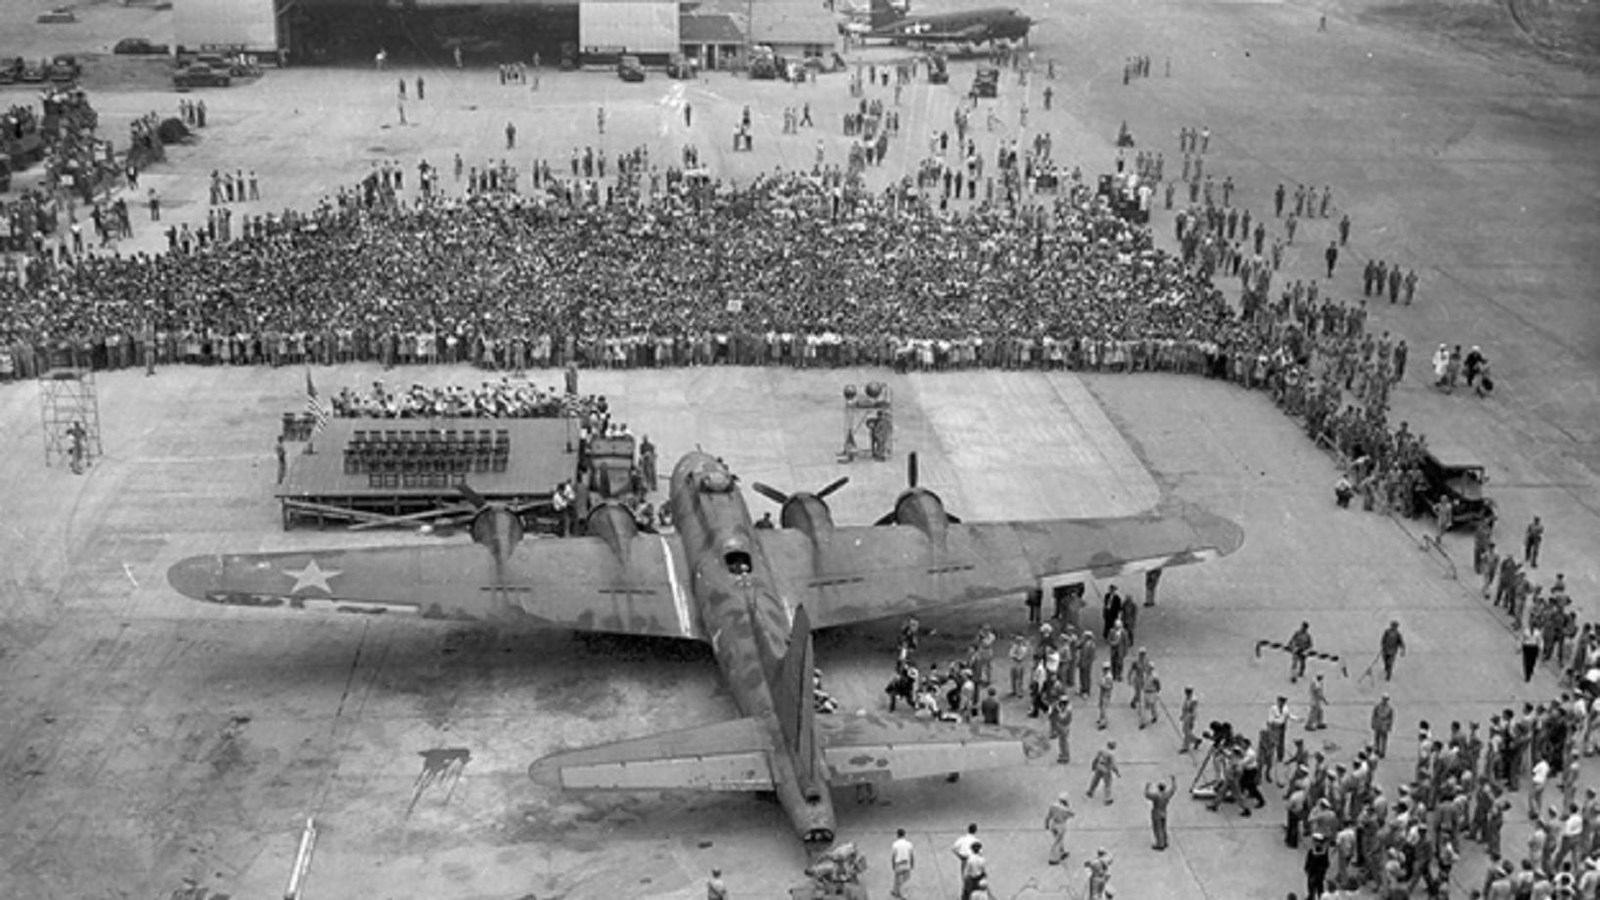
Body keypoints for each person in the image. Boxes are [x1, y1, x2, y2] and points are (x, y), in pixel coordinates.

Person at [1145, 774, 1177, 850]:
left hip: (1156, 813)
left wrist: (1147, 787)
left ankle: (1160, 844)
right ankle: (1165, 841)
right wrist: (1173, 780)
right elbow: (1173, 789)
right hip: (1164, 812)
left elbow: (1147, 795)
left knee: (1157, 828)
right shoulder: (1167, 794)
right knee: (1163, 828)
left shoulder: (1156, 796)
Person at [1044, 792, 1075, 864]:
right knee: (1057, 842)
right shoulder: (1066, 810)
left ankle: (1062, 852)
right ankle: (1053, 858)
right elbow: (1072, 814)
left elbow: (1048, 816)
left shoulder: (1053, 806)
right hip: (1061, 826)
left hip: (1053, 824)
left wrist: (1046, 823)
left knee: (1059, 840)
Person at [889, 828, 914, 898]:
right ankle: (903, 894)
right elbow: (911, 855)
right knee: (905, 880)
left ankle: (895, 892)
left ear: (897, 835)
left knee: (897, 878)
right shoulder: (909, 844)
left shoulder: (895, 844)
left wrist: (893, 865)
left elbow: (893, 856)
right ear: (905, 835)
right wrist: (912, 864)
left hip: (898, 864)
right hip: (906, 864)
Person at [1304, 835, 1331, 900]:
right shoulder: (1313, 850)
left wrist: (1322, 871)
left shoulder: (1323, 852)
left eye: (1316, 841)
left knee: (1318, 887)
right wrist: (1307, 868)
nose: (1315, 843)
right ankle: (1311, 896)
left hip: (1318, 873)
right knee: (1311, 887)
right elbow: (1308, 860)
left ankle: (1319, 897)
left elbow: (1326, 863)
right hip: (1313, 873)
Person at [1049, 694, 1073, 763]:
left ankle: (1065, 757)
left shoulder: (1068, 710)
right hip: (1062, 727)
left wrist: (1058, 711)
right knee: (1061, 742)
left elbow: (1062, 718)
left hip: (1064, 727)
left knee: (1063, 743)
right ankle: (1063, 754)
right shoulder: (1066, 708)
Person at [1179, 686, 1200, 753]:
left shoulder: (1193, 699)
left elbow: (1191, 709)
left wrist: (1189, 717)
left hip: (1190, 716)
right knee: (1186, 731)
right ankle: (1195, 740)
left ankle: (1186, 746)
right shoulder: (1188, 698)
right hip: (1187, 716)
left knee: (1186, 731)